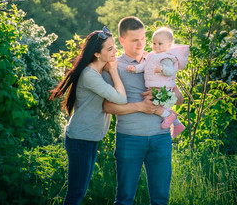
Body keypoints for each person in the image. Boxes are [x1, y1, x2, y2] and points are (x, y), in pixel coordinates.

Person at [102, 17, 184, 204]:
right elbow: (106, 106)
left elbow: (179, 99)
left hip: (161, 138)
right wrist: (140, 106)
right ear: (121, 40)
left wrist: (163, 95)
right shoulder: (114, 67)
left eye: (143, 38)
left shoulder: (159, 61)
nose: (141, 44)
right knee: (124, 199)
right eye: (134, 40)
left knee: (160, 199)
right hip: (129, 139)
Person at [50, 27, 127, 205]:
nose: (116, 52)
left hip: (88, 138)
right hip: (80, 140)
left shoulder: (98, 71)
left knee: (79, 191)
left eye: (114, 47)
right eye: (110, 49)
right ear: (97, 54)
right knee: (76, 193)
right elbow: (121, 99)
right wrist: (114, 70)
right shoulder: (90, 75)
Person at [126, 27, 189, 138]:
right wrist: (135, 69)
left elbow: (169, 71)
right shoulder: (152, 55)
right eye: (154, 43)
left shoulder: (167, 58)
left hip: (163, 87)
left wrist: (162, 69)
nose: (156, 46)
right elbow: (145, 66)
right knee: (159, 106)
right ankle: (177, 124)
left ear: (169, 45)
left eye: (160, 43)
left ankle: (171, 118)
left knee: (153, 106)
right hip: (155, 86)